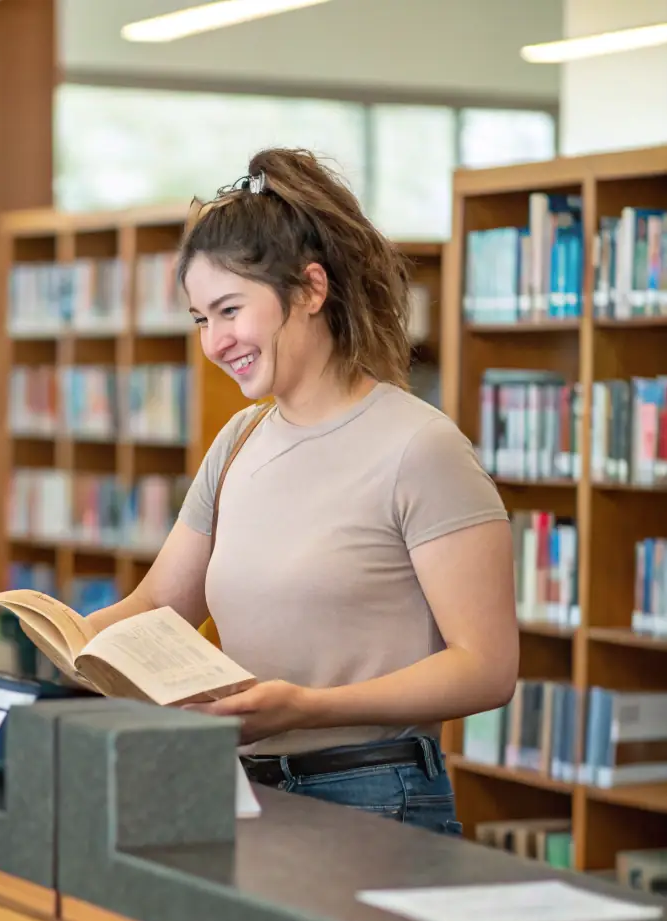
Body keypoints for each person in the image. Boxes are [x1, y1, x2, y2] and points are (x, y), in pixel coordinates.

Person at [87, 148, 518, 834]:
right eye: (201, 319)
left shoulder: (420, 448)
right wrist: (65, 642)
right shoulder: (237, 441)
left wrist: (305, 707)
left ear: (310, 290)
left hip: (375, 792)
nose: (215, 342)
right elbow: (158, 605)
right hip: (243, 790)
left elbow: (486, 668)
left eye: (229, 310)